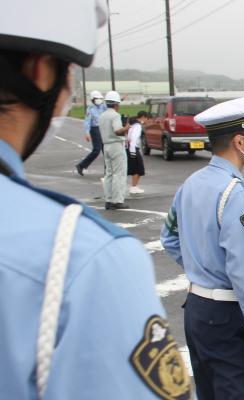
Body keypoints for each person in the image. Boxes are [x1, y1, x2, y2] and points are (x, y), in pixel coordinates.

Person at [0, 1, 191, 399]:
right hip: (115, 155)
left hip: (110, 153)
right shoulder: (79, 257)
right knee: (114, 178)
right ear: (40, 70)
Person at [161, 95, 244, 400]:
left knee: (208, 392)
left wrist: (200, 268)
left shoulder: (191, 183)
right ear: (240, 142)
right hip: (227, 313)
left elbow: (169, 237)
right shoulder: (234, 192)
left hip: (196, 309)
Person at [100, 89, 130, 209]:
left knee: (109, 173)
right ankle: (117, 201)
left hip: (106, 145)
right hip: (116, 145)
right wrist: (127, 127)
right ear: (116, 104)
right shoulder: (115, 115)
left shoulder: (102, 115)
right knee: (119, 173)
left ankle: (108, 199)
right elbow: (118, 130)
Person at [75, 90, 106, 176]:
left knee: (106, 149)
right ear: (92, 100)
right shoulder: (90, 109)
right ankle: (81, 165)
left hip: (103, 128)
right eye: (97, 99)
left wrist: (120, 99)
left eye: (100, 98)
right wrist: (87, 133)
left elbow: (111, 106)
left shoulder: (103, 106)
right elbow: (87, 122)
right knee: (96, 150)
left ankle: (108, 170)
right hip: (95, 129)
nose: (99, 100)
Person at [127, 111, 148, 194]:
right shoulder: (138, 126)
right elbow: (133, 139)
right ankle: (134, 187)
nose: (146, 120)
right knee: (138, 169)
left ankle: (134, 186)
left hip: (132, 148)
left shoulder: (133, 125)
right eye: (146, 118)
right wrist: (132, 152)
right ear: (143, 117)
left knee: (136, 168)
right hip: (133, 148)